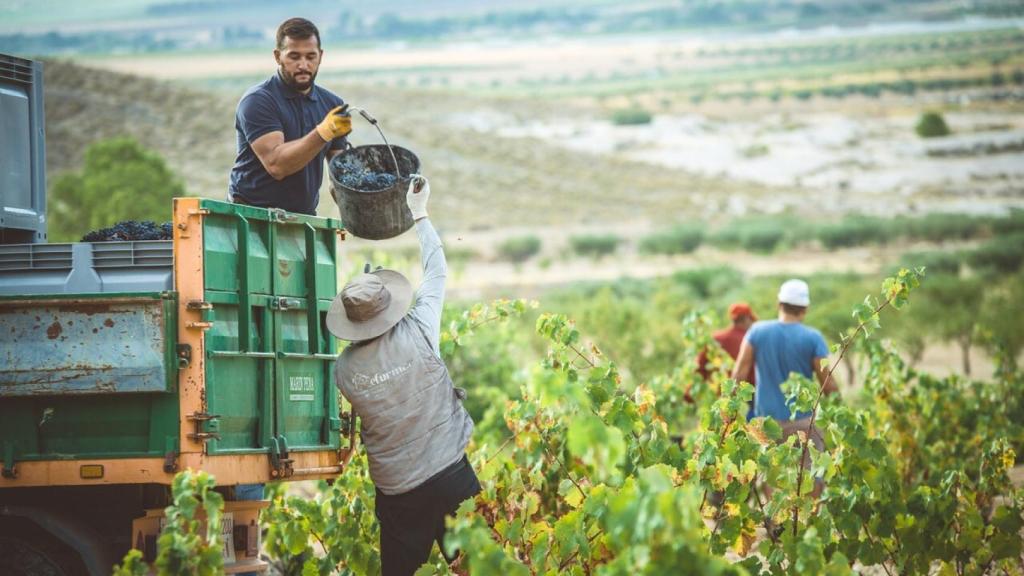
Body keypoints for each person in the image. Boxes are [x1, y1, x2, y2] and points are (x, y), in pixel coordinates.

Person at [326, 175, 480, 576]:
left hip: (398, 492)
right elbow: (438, 271)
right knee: (481, 568)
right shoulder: (420, 327)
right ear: (389, 305)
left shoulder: (343, 370)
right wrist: (419, 213)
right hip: (451, 475)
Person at [227, 17, 352, 215]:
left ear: (321, 56)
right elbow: (277, 165)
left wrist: (362, 206)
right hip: (250, 217)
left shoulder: (332, 105)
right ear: (278, 56)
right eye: (294, 56)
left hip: (303, 218)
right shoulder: (258, 101)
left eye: (310, 56)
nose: (303, 65)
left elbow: (341, 177)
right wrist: (324, 132)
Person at [731, 279, 837, 496]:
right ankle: (807, 524)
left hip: (766, 422)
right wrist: (840, 414)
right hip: (802, 421)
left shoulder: (756, 332)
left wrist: (729, 411)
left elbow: (738, 374)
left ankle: (775, 526)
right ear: (805, 309)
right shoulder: (813, 337)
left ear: (779, 303)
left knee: (772, 475)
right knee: (810, 474)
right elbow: (828, 383)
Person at [693, 302, 757, 417]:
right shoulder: (752, 339)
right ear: (747, 319)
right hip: (751, 394)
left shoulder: (716, 339)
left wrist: (691, 394)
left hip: (723, 394)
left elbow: (699, 367)